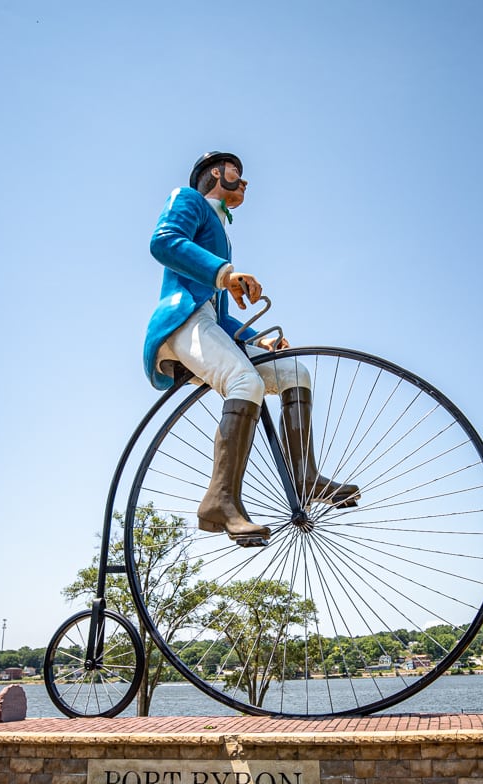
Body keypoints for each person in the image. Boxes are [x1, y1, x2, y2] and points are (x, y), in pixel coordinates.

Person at [143, 151, 358, 547]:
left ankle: (304, 475)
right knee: (244, 379)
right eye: (236, 175)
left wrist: (259, 339)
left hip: (206, 321)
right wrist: (224, 273)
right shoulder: (188, 200)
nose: (243, 183)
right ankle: (219, 500)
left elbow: (219, 314)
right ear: (213, 173)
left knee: (296, 373)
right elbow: (163, 242)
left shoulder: (222, 232)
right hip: (181, 322)